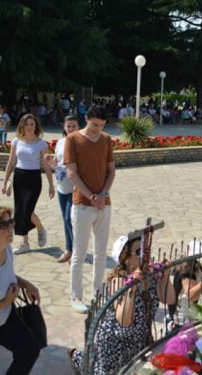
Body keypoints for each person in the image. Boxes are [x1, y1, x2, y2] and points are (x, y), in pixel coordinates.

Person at [70, 236, 174, 374]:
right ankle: (77, 356)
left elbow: (170, 299)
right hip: (116, 343)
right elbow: (124, 321)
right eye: (139, 252)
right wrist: (131, 287)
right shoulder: (118, 282)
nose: (145, 254)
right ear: (125, 258)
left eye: (146, 249)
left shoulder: (151, 276)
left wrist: (165, 276)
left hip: (140, 341)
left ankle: (87, 356)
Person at [64, 105, 115, 314]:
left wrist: (102, 195)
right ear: (87, 119)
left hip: (104, 204)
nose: (97, 129)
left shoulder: (106, 140)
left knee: (101, 253)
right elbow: (71, 173)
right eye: (95, 125)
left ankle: (97, 293)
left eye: (101, 126)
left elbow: (111, 171)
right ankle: (76, 295)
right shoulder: (73, 139)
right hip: (82, 205)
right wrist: (90, 196)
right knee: (80, 253)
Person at [2, 114, 54, 254]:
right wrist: (5, 181)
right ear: (22, 126)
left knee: (27, 210)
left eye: (32, 124)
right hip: (19, 178)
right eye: (27, 124)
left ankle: (40, 229)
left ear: (35, 126)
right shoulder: (16, 142)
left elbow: (47, 166)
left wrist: (51, 185)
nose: (29, 127)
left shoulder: (41, 144)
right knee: (20, 211)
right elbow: (11, 162)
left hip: (33, 179)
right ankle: (25, 243)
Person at [0, 206, 42, 374]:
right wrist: (5, 302)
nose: (11, 228)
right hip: (5, 308)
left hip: (6, 316)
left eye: (11, 222)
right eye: (4, 225)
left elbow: (7, 275)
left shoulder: (7, 249)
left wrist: (26, 284)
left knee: (29, 350)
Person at [44, 115, 79, 263]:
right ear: (64, 127)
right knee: (65, 220)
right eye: (68, 126)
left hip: (75, 187)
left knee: (69, 218)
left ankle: (76, 251)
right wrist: (49, 161)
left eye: (74, 126)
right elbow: (57, 164)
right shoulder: (60, 142)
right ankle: (69, 249)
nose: (71, 129)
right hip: (61, 186)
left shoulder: (80, 143)